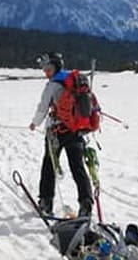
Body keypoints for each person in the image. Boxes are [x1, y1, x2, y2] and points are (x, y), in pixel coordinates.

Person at [29, 52, 93, 217]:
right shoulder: (75, 81)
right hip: (77, 130)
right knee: (78, 167)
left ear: (55, 68)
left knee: (49, 166)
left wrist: (34, 123)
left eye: (48, 69)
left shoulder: (53, 84)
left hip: (56, 132)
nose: (45, 72)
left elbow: (43, 107)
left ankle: (46, 201)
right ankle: (86, 202)